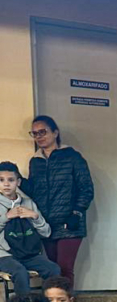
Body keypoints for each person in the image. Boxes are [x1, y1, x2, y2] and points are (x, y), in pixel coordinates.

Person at [24, 115, 94, 287]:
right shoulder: (35, 162)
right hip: (46, 224)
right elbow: (34, 190)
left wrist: (77, 212)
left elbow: (86, 188)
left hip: (69, 222)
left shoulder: (72, 157)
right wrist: (17, 179)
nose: (39, 136)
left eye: (43, 132)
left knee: (64, 268)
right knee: (52, 269)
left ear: (55, 133)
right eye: (35, 133)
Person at [0, 161, 60, 295]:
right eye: (1, 180)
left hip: (28, 254)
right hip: (4, 255)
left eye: (11, 180)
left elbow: (46, 233)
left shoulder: (28, 203)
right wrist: (6, 217)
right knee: (20, 272)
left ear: (18, 182)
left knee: (53, 269)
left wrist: (35, 216)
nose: (6, 184)